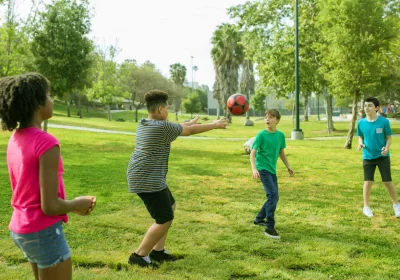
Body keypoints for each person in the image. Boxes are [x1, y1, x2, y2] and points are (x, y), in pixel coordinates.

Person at [0, 73, 96, 280]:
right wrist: (77, 204)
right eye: (48, 95)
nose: (52, 100)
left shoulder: (16, 138)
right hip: (42, 232)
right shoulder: (46, 142)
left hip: (21, 228)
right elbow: (50, 206)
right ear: (37, 103)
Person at [127, 90, 227, 268]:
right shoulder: (162, 127)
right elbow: (188, 131)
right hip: (147, 179)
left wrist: (187, 123)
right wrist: (214, 124)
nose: (168, 112)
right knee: (164, 218)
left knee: (170, 206)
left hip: (147, 176)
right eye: (167, 109)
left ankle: (158, 251)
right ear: (159, 109)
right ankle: (139, 255)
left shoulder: (145, 123)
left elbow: (179, 126)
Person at [250, 109, 294, 239]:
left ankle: (259, 219)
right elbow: (253, 153)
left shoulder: (280, 135)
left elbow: (281, 152)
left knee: (274, 197)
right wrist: (254, 169)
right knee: (273, 195)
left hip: (272, 170)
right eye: (266, 117)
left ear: (278, 120)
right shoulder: (261, 135)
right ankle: (269, 227)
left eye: (271, 117)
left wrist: (288, 166)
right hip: (262, 169)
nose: (267, 120)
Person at [356, 97, 400, 218]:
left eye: (370, 105)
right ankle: (366, 207)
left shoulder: (384, 122)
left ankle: (396, 205)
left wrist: (387, 148)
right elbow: (360, 136)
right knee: (368, 182)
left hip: (382, 156)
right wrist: (360, 143)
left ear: (376, 108)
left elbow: (389, 138)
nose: (367, 108)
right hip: (368, 156)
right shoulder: (361, 123)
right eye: (365, 106)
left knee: (387, 181)